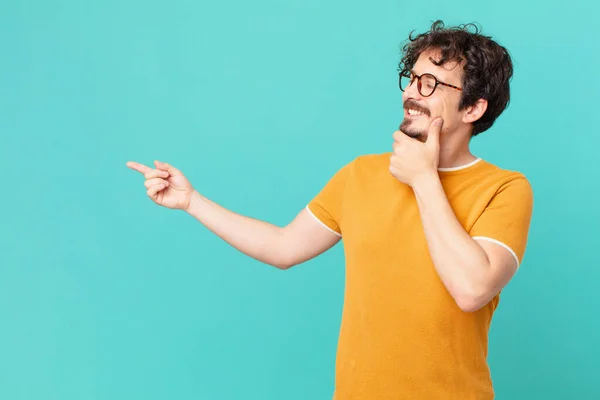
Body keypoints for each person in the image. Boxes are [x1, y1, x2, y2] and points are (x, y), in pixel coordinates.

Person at [127, 20, 533, 400]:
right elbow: (283, 247)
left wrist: (424, 179)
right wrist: (192, 202)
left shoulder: (505, 189)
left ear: (473, 109)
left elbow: (472, 289)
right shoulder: (361, 174)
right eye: (411, 79)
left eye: (430, 84)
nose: (411, 93)